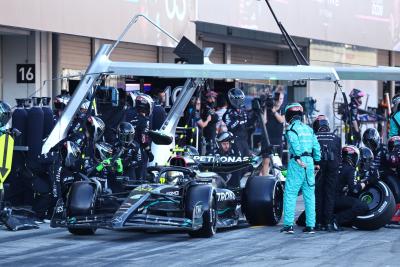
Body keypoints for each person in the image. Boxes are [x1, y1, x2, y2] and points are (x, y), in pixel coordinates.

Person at [281, 103, 321, 234]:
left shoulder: (291, 129)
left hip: (297, 162)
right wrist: (317, 161)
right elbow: (316, 146)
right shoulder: (309, 129)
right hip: (310, 162)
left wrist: (298, 157)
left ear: (288, 115)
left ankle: (288, 225)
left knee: (290, 193)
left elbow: (294, 143)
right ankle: (311, 225)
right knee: (309, 195)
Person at [312, 115, 341, 231]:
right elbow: (339, 156)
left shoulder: (314, 137)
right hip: (333, 167)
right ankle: (328, 223)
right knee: (330, 194)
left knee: (318, 194)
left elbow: (312, 153)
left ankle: (318, 223)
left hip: (318, 166)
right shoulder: (336, 137)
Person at [334, 146, 369, 228]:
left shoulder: (335, 166)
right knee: (362, 206)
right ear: (354, 157)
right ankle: (336, 220)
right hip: (335, 199)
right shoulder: (350, 169)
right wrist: (367, 181)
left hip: (324, 199)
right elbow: (355, 190)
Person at [260, 91, 285, 176]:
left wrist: (274, 111)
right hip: (267, 138)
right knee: (266, 161)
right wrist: (266, 108)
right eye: (278, 99)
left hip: (277, 139)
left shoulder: (283, 109)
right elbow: (264, 121)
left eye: (281, 99)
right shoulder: (268, 108)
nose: (279, 101)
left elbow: (282, 120)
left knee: (278, 161)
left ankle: (279, 180)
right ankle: (264, 180)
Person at [129, 93, 154, 179]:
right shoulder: (145, 121)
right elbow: (144, 140)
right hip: (140, 151)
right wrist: (149, 152)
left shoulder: (132, 119)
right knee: (141, 176)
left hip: (131, 150)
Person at [223, 88, 251, 156]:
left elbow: (248, 124)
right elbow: (231, 127)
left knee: (247, 161)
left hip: (244, 141)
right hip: (235, 141)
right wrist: (238, 119)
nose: (239, 102)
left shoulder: (243, 111)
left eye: (240, 100)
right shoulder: (228, 113)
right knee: (239, 161)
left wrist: (255, 116)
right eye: (237, 100)